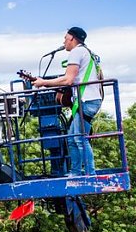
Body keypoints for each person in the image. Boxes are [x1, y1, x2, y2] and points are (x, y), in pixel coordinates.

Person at [29, 26, 102, 176]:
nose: (64, 41)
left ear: (72, 39)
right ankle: (75, 171)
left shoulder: (77, 52)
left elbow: (68, 80)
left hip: (86, 101)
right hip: (86, 100)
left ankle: (90, 172)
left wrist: (44, 83)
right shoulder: (87, 52)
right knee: (72, 139)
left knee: (80, 139)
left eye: (65, 38)